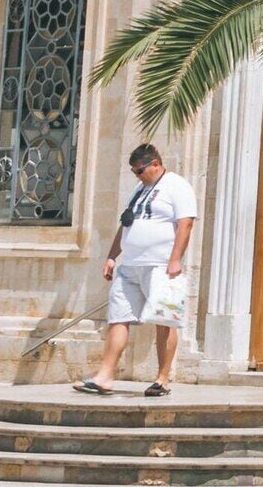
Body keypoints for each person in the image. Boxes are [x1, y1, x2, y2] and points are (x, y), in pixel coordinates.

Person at [79, 144, 196, 397]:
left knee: (164, 319)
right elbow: (126, 223)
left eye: (140, 170)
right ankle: (105, 376)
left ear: (155, 164)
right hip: (130, 264)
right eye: (134, 171)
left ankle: (162, 379)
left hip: (160, 265)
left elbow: (185, 224)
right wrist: (112, 256)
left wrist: (175, 259)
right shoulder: (139, 189)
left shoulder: (178, 186)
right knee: (118, 317)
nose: (137, 175)